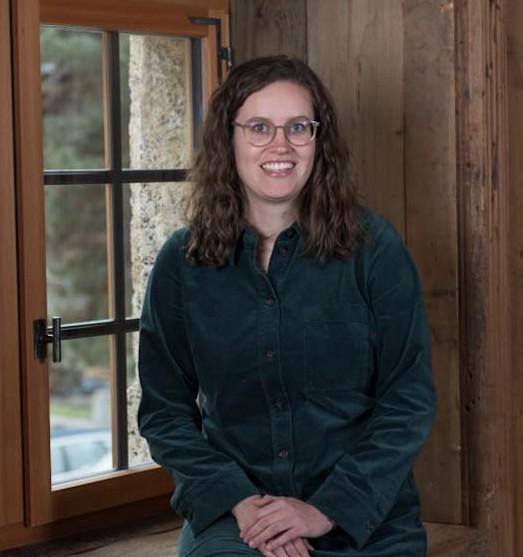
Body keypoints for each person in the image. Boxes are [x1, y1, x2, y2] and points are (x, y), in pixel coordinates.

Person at [138, 55, 437, 557]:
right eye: (259, 127)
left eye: (298, 127)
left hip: (364, 520)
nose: (281, 145)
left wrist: (323, 510)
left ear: (319, 140)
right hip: (238, 521)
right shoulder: (182, 262)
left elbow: (408, 400)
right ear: (228, 139)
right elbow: (165, 413)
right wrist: (242, 504)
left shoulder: (374, 249)